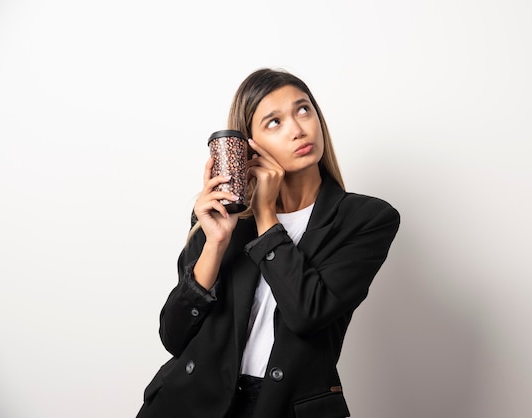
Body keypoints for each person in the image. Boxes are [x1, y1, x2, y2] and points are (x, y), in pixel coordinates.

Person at [136, 68, 400, 418]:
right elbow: (174, 335)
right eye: (274, 122)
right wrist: (215, 243)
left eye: (303, 110)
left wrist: (265, 216)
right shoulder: (224, 218)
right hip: (191, 402)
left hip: (284, 407)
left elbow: (307, 313)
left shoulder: (366, 218)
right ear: (249, 144)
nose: (297, 129)